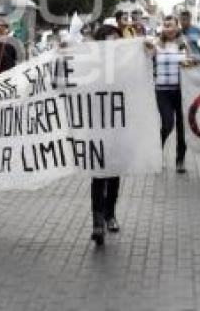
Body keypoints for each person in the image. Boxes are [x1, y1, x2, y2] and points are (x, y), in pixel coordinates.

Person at [89, 24, 124, 246]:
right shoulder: (88, 61)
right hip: (94, 124)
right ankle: (98, 222)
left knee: (113, 172)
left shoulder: (126, 61)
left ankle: (110, 213)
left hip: (118, 124)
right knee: (98, 174)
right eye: (112, 38)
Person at [149, 15, 192, 173]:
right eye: (165, 25)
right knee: (167, 124)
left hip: (181, 91)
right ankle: (157, 154)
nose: (167, 28)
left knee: (182, 127)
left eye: (170, 25)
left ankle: (180, 161)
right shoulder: (156, 43)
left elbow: (191, 60)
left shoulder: (183, 43)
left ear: (177, 27)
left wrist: (188, 61)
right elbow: (146, 53)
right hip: (162, 91)